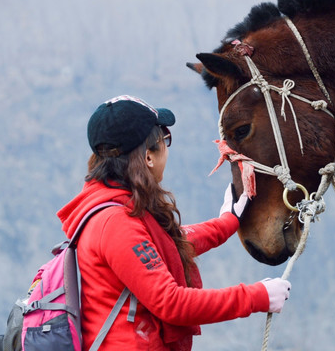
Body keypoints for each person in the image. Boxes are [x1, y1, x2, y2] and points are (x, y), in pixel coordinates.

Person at [57, 95, 291, 351]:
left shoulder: (107, 207)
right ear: (147, 157)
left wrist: (227, 222)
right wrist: (258, 297)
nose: (167, 148)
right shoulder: (115, 223)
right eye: (164, 139)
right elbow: (172, 303)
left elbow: (163, 245)